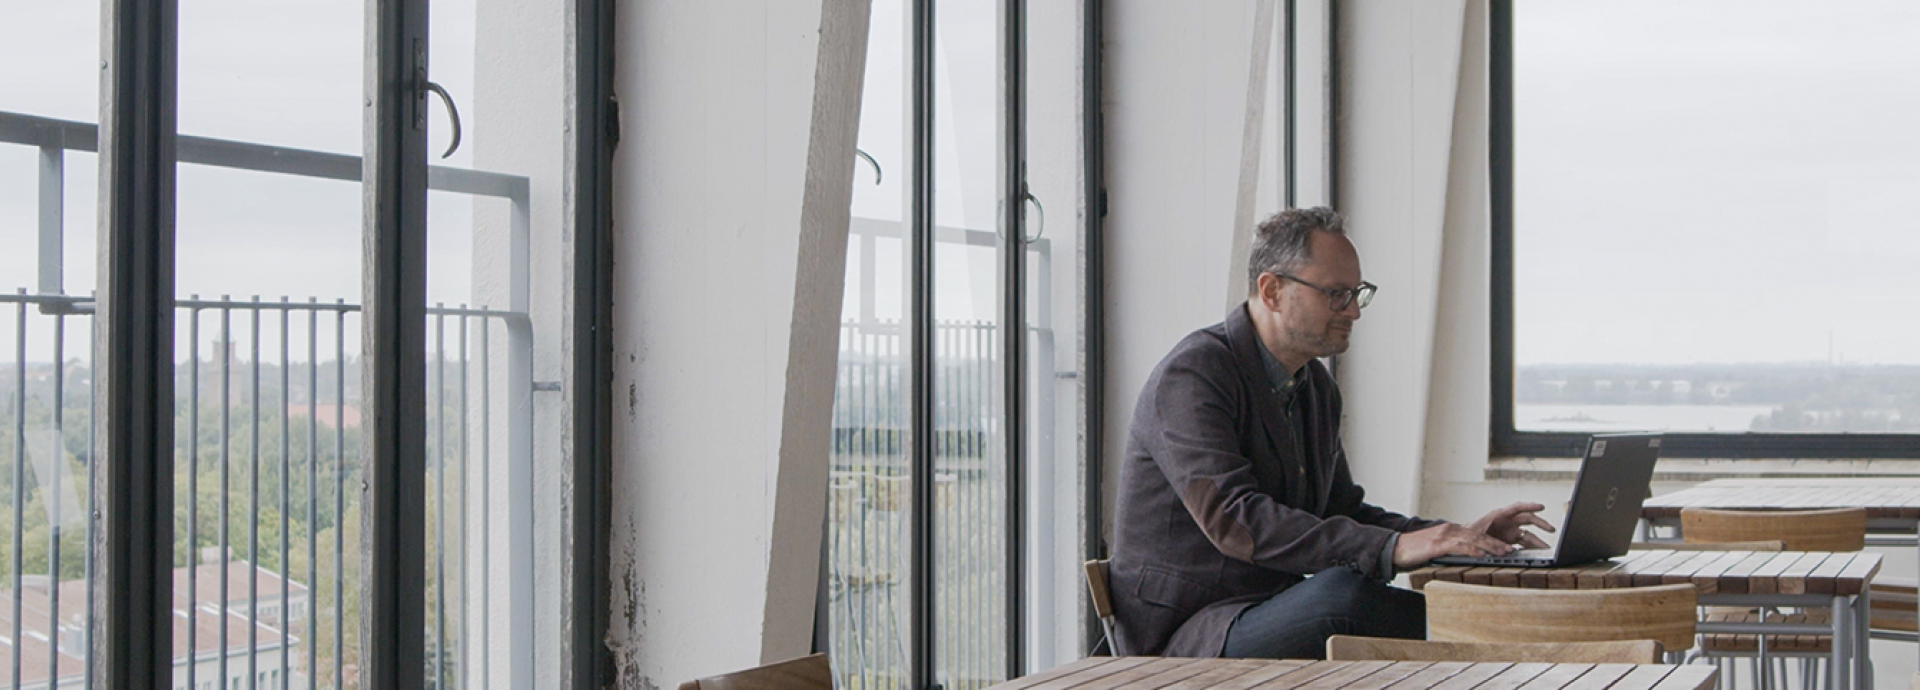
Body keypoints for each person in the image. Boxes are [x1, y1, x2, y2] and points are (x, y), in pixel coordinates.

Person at [1106, 206, 1553, 659]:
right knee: (1344, 598)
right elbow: (1237, 520)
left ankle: (1517, 632)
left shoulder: (1314, 387)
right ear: (1272, 290)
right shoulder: (1194, 375)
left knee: (1353, 594)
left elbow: (1342, 511)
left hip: (1264, 606)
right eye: (1337, 294)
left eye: (1357, 293)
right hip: (1186, 632)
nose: (1354, 311)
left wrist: (1453, 536)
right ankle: (1528, 635)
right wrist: (1397, 546)